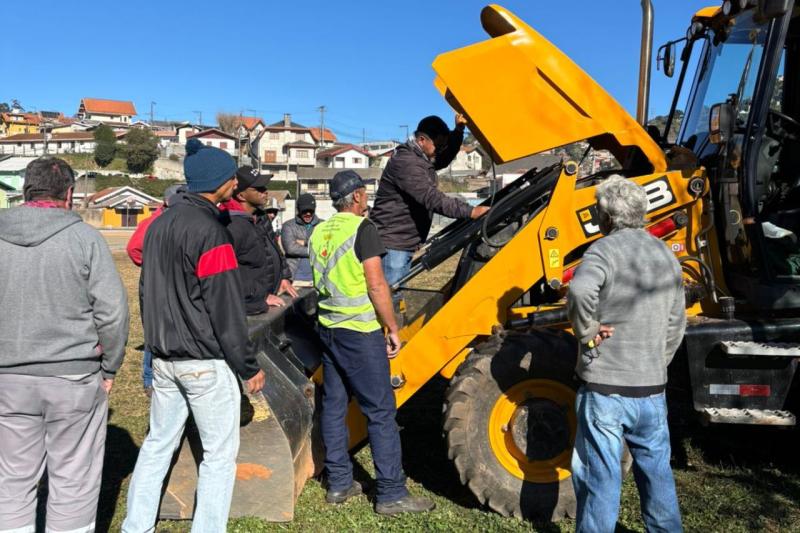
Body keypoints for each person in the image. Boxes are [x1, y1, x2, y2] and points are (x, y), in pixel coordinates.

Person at [123, 140, 266, 532]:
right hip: (204, 361)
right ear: (220, 183)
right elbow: (225, 307)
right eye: (232, 176)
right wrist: (247, 364)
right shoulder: (210, 232)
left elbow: (146, 293)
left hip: (164, 359)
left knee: (156, 446)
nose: (236, 181)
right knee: (219, 455)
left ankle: (136, 526)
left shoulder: (157, 226)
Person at [0, 157, 129, 532]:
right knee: (74, 479)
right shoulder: (85, 238)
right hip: (73, 377)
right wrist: (110, 367)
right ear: (69, 194)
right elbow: (112, 313)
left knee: (11, 479)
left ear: (25, 189)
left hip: (7, 379)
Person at [309, 170, 434, 516]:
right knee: (380, 411)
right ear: (359, 197)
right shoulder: (362, 230)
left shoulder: (319, 230)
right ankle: (391, 493)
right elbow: (377, 285)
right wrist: (391, 327)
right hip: (360, 334)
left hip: (329, 327)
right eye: (366, 194)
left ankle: (338, 482)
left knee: (334, 405)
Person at [567, 175, 686, 532]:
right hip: (651, 388)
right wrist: (656, 361)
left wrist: (588, 333)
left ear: (605, 217)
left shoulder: (602, 251)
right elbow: (676, 322)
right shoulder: (665, 254)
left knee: (599, 478)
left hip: (605, 388)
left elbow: (580, 290)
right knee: (657, 473)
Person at [369, 114, 489, 287]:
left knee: (396, 295)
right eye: (438, 145)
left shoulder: (421, 159)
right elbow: (432, 198)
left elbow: (444, 157)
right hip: (393, 243)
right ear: (422, 140)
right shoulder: (407, 163)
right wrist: (471, 211)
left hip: (403, 241)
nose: (440, 149)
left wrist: (459, 131)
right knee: (391, 296)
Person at [126, 183, 185, 393]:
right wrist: (153, 264)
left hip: (170, 281)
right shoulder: (155, 221)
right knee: (155, 329)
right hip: (157, 282)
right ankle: (150, 378)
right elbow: (133, 248)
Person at [220, 165, 297, 313]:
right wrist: (259, 297)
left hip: (270, 297)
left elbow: (275, 250)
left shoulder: (262, 217)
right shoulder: (229, 223)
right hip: (248, 306)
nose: (265, 192)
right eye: (258, 189)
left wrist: (284, 277)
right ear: (241, 196)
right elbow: (228, 272)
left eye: (264, 187)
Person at [282, 192, 323, 286]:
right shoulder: (288, 226)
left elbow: (328, 247)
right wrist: (316, 248)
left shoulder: (323, 225)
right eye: (304, 211)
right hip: (295, 279)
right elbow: (291, 249)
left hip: (319, 278)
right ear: (298, 210)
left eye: (311, 211)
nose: (308, 214)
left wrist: (304, 242)